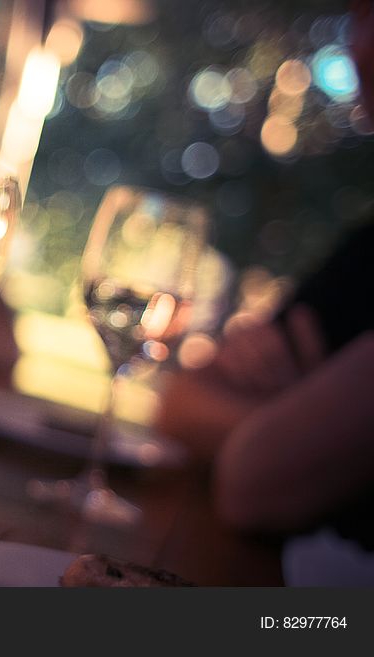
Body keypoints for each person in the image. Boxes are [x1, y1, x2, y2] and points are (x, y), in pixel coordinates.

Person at [153, 1, 374, 580]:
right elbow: (177, 401)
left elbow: (254, 477)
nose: (360, 44)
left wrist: (298, 433)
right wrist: (307, 431)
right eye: (360, 14)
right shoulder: (366, 253)